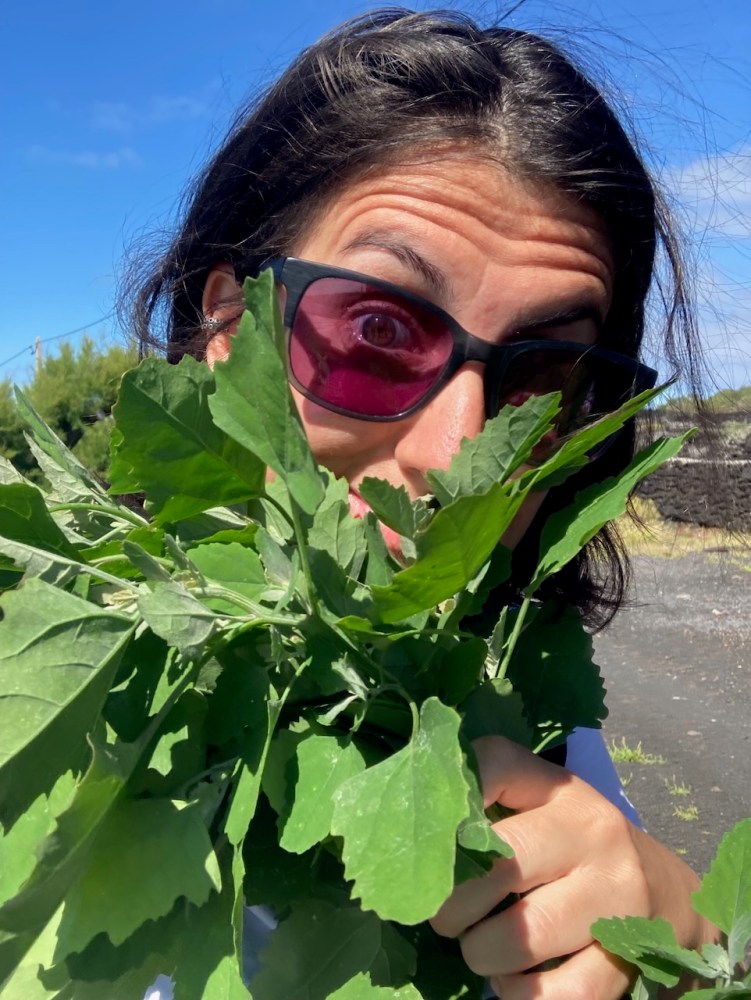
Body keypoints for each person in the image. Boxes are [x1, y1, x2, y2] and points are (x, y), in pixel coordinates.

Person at [128, 10, 717, 998]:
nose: (456, 455)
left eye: (543, 374)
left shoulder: (517, 714)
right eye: (372, 326)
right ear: (228, 327)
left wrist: (688, 948)